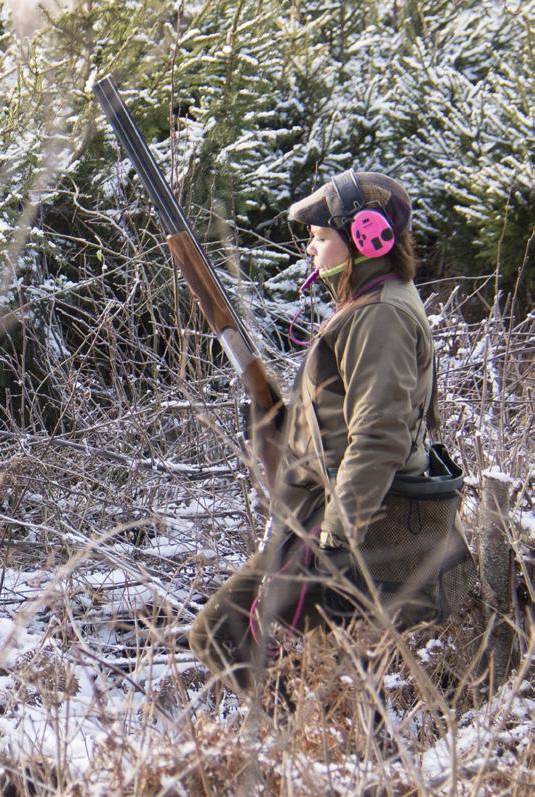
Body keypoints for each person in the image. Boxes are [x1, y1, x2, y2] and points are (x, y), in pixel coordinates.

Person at [189, 170, 475, 697]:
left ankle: (305, 756)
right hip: (334, 516)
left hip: (353, 526)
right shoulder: (376, 300)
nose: (310, 247)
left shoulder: (380, 315)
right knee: (237, 637)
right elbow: (348, 413)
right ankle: (307, 749)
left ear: (368, 237)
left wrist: (337, 538)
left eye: (321, 237)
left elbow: (379, 435)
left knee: (225, 633)